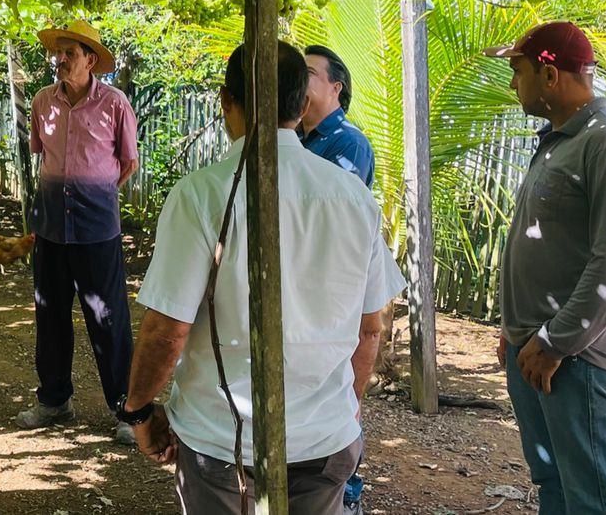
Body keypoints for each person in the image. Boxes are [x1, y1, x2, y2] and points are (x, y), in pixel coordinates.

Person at [124, 41, 406, 514]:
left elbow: (168, 329)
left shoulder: (200, 195)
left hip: (224, 442)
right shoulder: (353, 199)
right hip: (324, 441)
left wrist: (137, 410)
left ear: (225, 101)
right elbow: (370, 325)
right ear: (300, 106)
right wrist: (345, 406)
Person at [486, 22, 606, 515]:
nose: (513, 82)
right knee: (555, 487)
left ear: (550, 74)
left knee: (597, 499)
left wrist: (557, 341)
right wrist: (515, 330)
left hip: (574, 358)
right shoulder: (560, 139)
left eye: (518, 70)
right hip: (534, 348)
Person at [19, 19, 140, 446]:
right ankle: (54, 401)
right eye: (60, 52)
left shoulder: (114, 103)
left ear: (91, 60)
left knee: (108, 319)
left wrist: (97, 193)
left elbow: (128, 163)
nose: (62, 59)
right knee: (49, 314)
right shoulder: (41, 102)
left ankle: (127, 408)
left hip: (96, 229)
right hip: (50, 225)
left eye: (71, 52)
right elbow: (41, 157)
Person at [299, 44, 378, 514]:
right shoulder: (300, 139)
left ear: (336, 87)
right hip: (303, 289)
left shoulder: (348, 142)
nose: (301, 82)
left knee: (339, 388)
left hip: (333, 290)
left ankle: (347, 492)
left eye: (310, 73)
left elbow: (326, 218)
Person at [300, 45, 375, 189]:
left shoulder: (351, 143)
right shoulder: (291, 135)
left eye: (309, 72)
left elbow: (339, 206)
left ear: (335, 89)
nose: (298, 79)